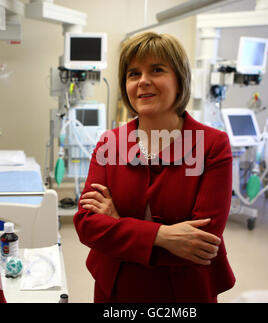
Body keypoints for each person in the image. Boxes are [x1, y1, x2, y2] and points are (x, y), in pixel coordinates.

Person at [73, 31, 235, 303]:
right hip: (116, 288)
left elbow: (202, 242)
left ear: (180, 80)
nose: (143, 81)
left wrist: (118, 226)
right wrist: (163, 235)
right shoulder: (109, 143)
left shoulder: (212, 145)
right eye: (133, 74)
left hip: (184, 292)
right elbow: (88, 225)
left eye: (157, 70)